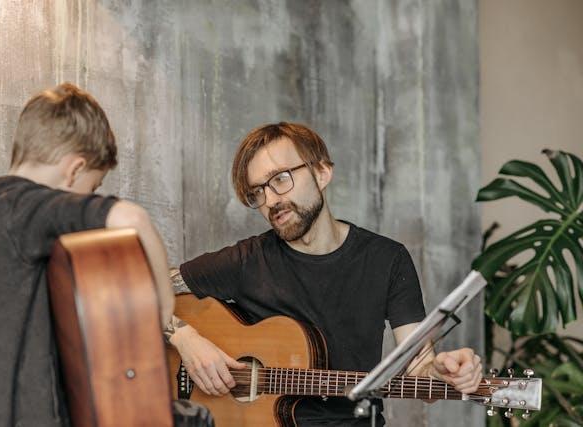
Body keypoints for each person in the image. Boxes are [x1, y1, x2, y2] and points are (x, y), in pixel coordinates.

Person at [165, 122, 483, 426]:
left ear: (322, 172)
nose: (271, 200)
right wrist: (186, 339)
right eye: (257, 192)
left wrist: (441, 372)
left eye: (280, 178)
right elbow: (141, 289)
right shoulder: (247, 259)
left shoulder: (387, 259)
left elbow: (418, 364)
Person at [0, 83, 211, 427]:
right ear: (73, 170)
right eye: (93, 187)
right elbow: (132, 219)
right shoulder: (27, 205)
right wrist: (161, 312)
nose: (89, 197)